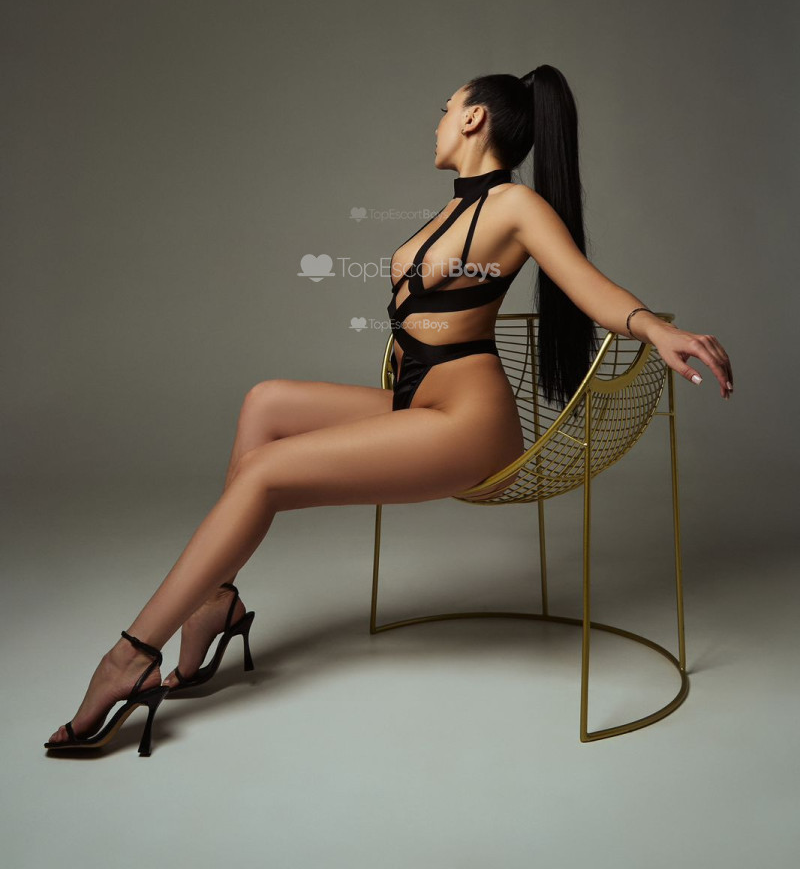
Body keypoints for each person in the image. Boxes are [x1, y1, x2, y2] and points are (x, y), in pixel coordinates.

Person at [45, 65, 734, 754]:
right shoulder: (453, 210)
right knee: (266, 402)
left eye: (446, 108)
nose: (437, 122)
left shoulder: (514, 207)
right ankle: (215, 601)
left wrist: (654, 328)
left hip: (469, 425)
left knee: (264, 472)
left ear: (473, 118)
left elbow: (588, 287)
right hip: (418, 404)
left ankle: (130, 657)